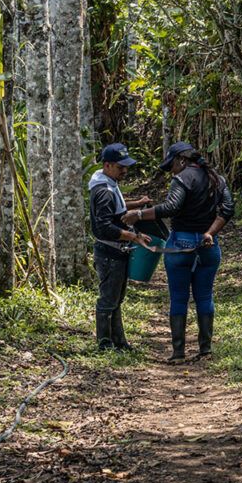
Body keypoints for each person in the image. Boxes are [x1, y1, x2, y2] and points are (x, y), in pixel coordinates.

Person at [122, 142, 234, 363]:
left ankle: (179, 353)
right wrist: (209, 233)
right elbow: (228, 209)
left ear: (181, 160)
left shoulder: (182, 179)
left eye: (171, 165)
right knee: (205, 296)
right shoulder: (217, 179)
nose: (171, 171)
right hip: (208, 245)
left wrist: (139, 214)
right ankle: (205, 350)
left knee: (179, 297)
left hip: (181, 243)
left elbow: (172, 207)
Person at [89, 143, 153, 352]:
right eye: (120, 167)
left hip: (117, 251)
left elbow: (118, 206)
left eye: (126, 166)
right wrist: (133, 236)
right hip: (109, 252)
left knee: (116, 298)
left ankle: (119, 342)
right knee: (108, 299)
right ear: (107, 165)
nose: (124, 170)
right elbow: (104, 226)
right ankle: (105, 344)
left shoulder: (108, 182)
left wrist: (137, 203)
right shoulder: (104, 191)